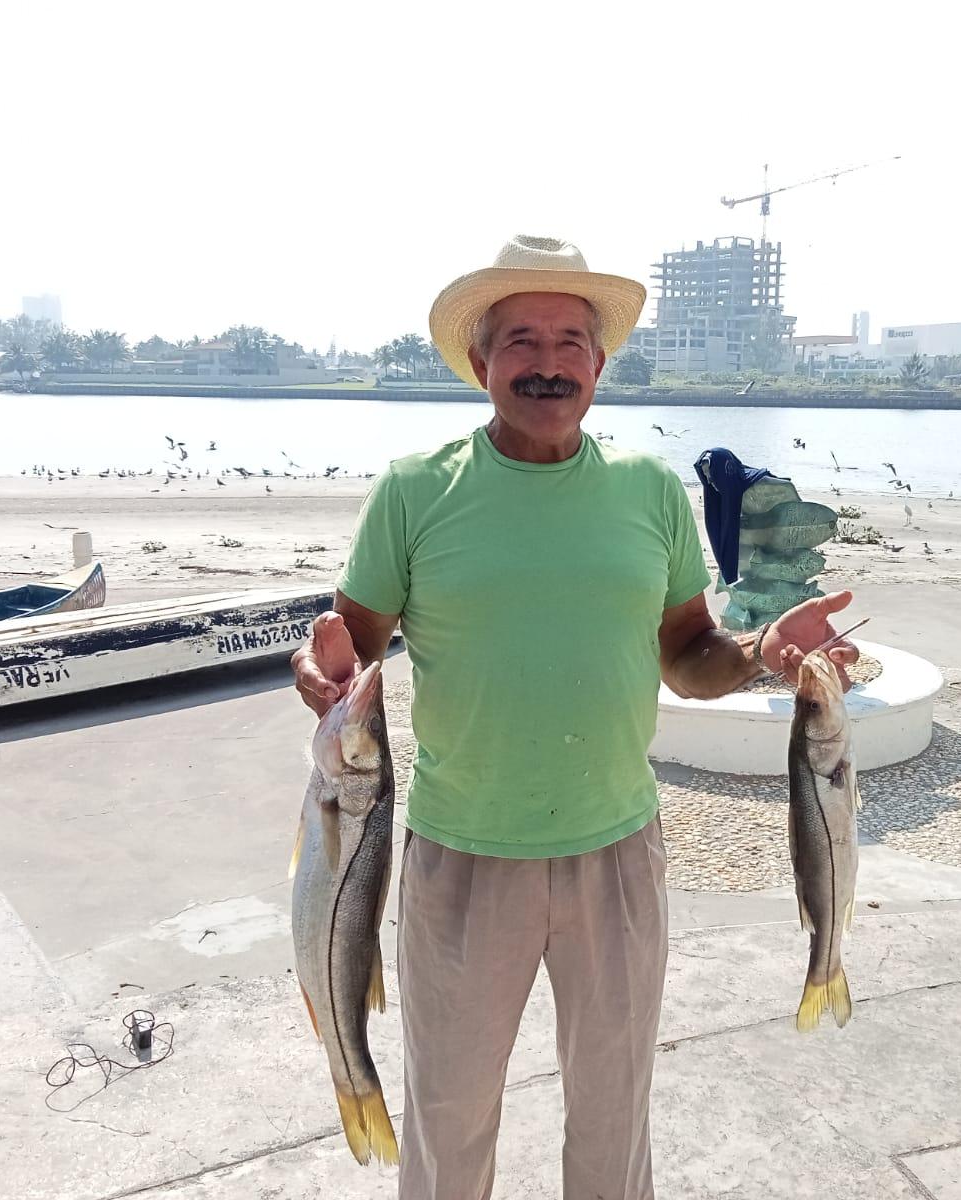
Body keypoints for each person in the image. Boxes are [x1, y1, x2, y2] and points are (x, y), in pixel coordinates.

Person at [291, 234, 859, 1199]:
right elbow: (351, 644)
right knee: (447, 1118)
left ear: (599, 364)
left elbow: (688, 654)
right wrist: (319, 665)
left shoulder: (648, 492)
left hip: (618, 856)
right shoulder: (415, 489)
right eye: (520, 340)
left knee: (612, 1117)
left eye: (568, 341)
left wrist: (763, 653)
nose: (546, 363)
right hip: (458, 856)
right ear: (482, 363)